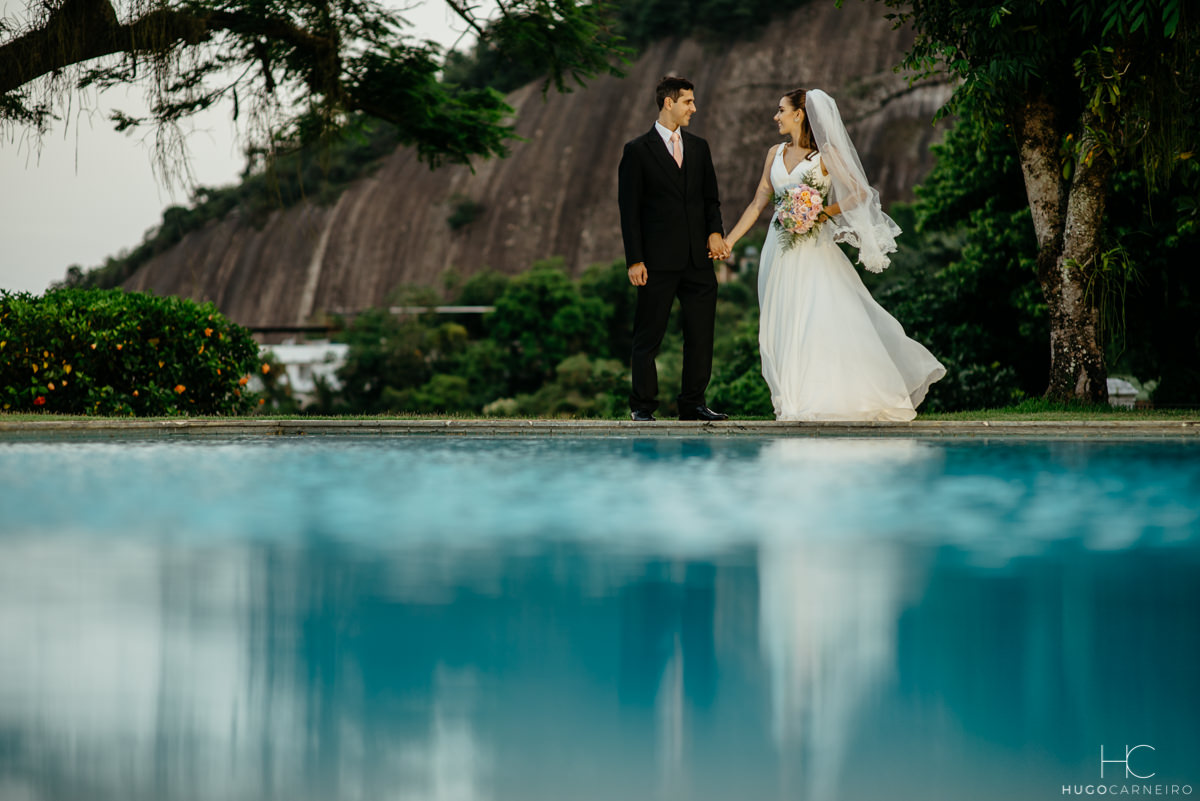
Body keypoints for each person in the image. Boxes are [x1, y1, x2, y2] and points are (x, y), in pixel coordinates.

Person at [722, 88, 946, 421]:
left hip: (814, 249)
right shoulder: (774, 152)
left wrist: (822, 212)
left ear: (799, 114)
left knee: (816, 316)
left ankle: (819, 395)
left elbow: (859, 192)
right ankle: (792, 396)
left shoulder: (824, 156)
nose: (776, 116)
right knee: (782, 320)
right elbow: (758, 201)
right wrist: (730, 241)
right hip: (779, 248)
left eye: (780, 110)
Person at [618, 75, 730, 422]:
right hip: (656, 261)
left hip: (698, 260)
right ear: (669, 103)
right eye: (688, 102)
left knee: (700, 335)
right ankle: (642, 407)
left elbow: (711, 199)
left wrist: (715, 232)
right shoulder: (637, 151)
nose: (693, 109)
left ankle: (693, 404)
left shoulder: (699, 147)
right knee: (648, 336)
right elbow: (629, 210)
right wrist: (635, 259)